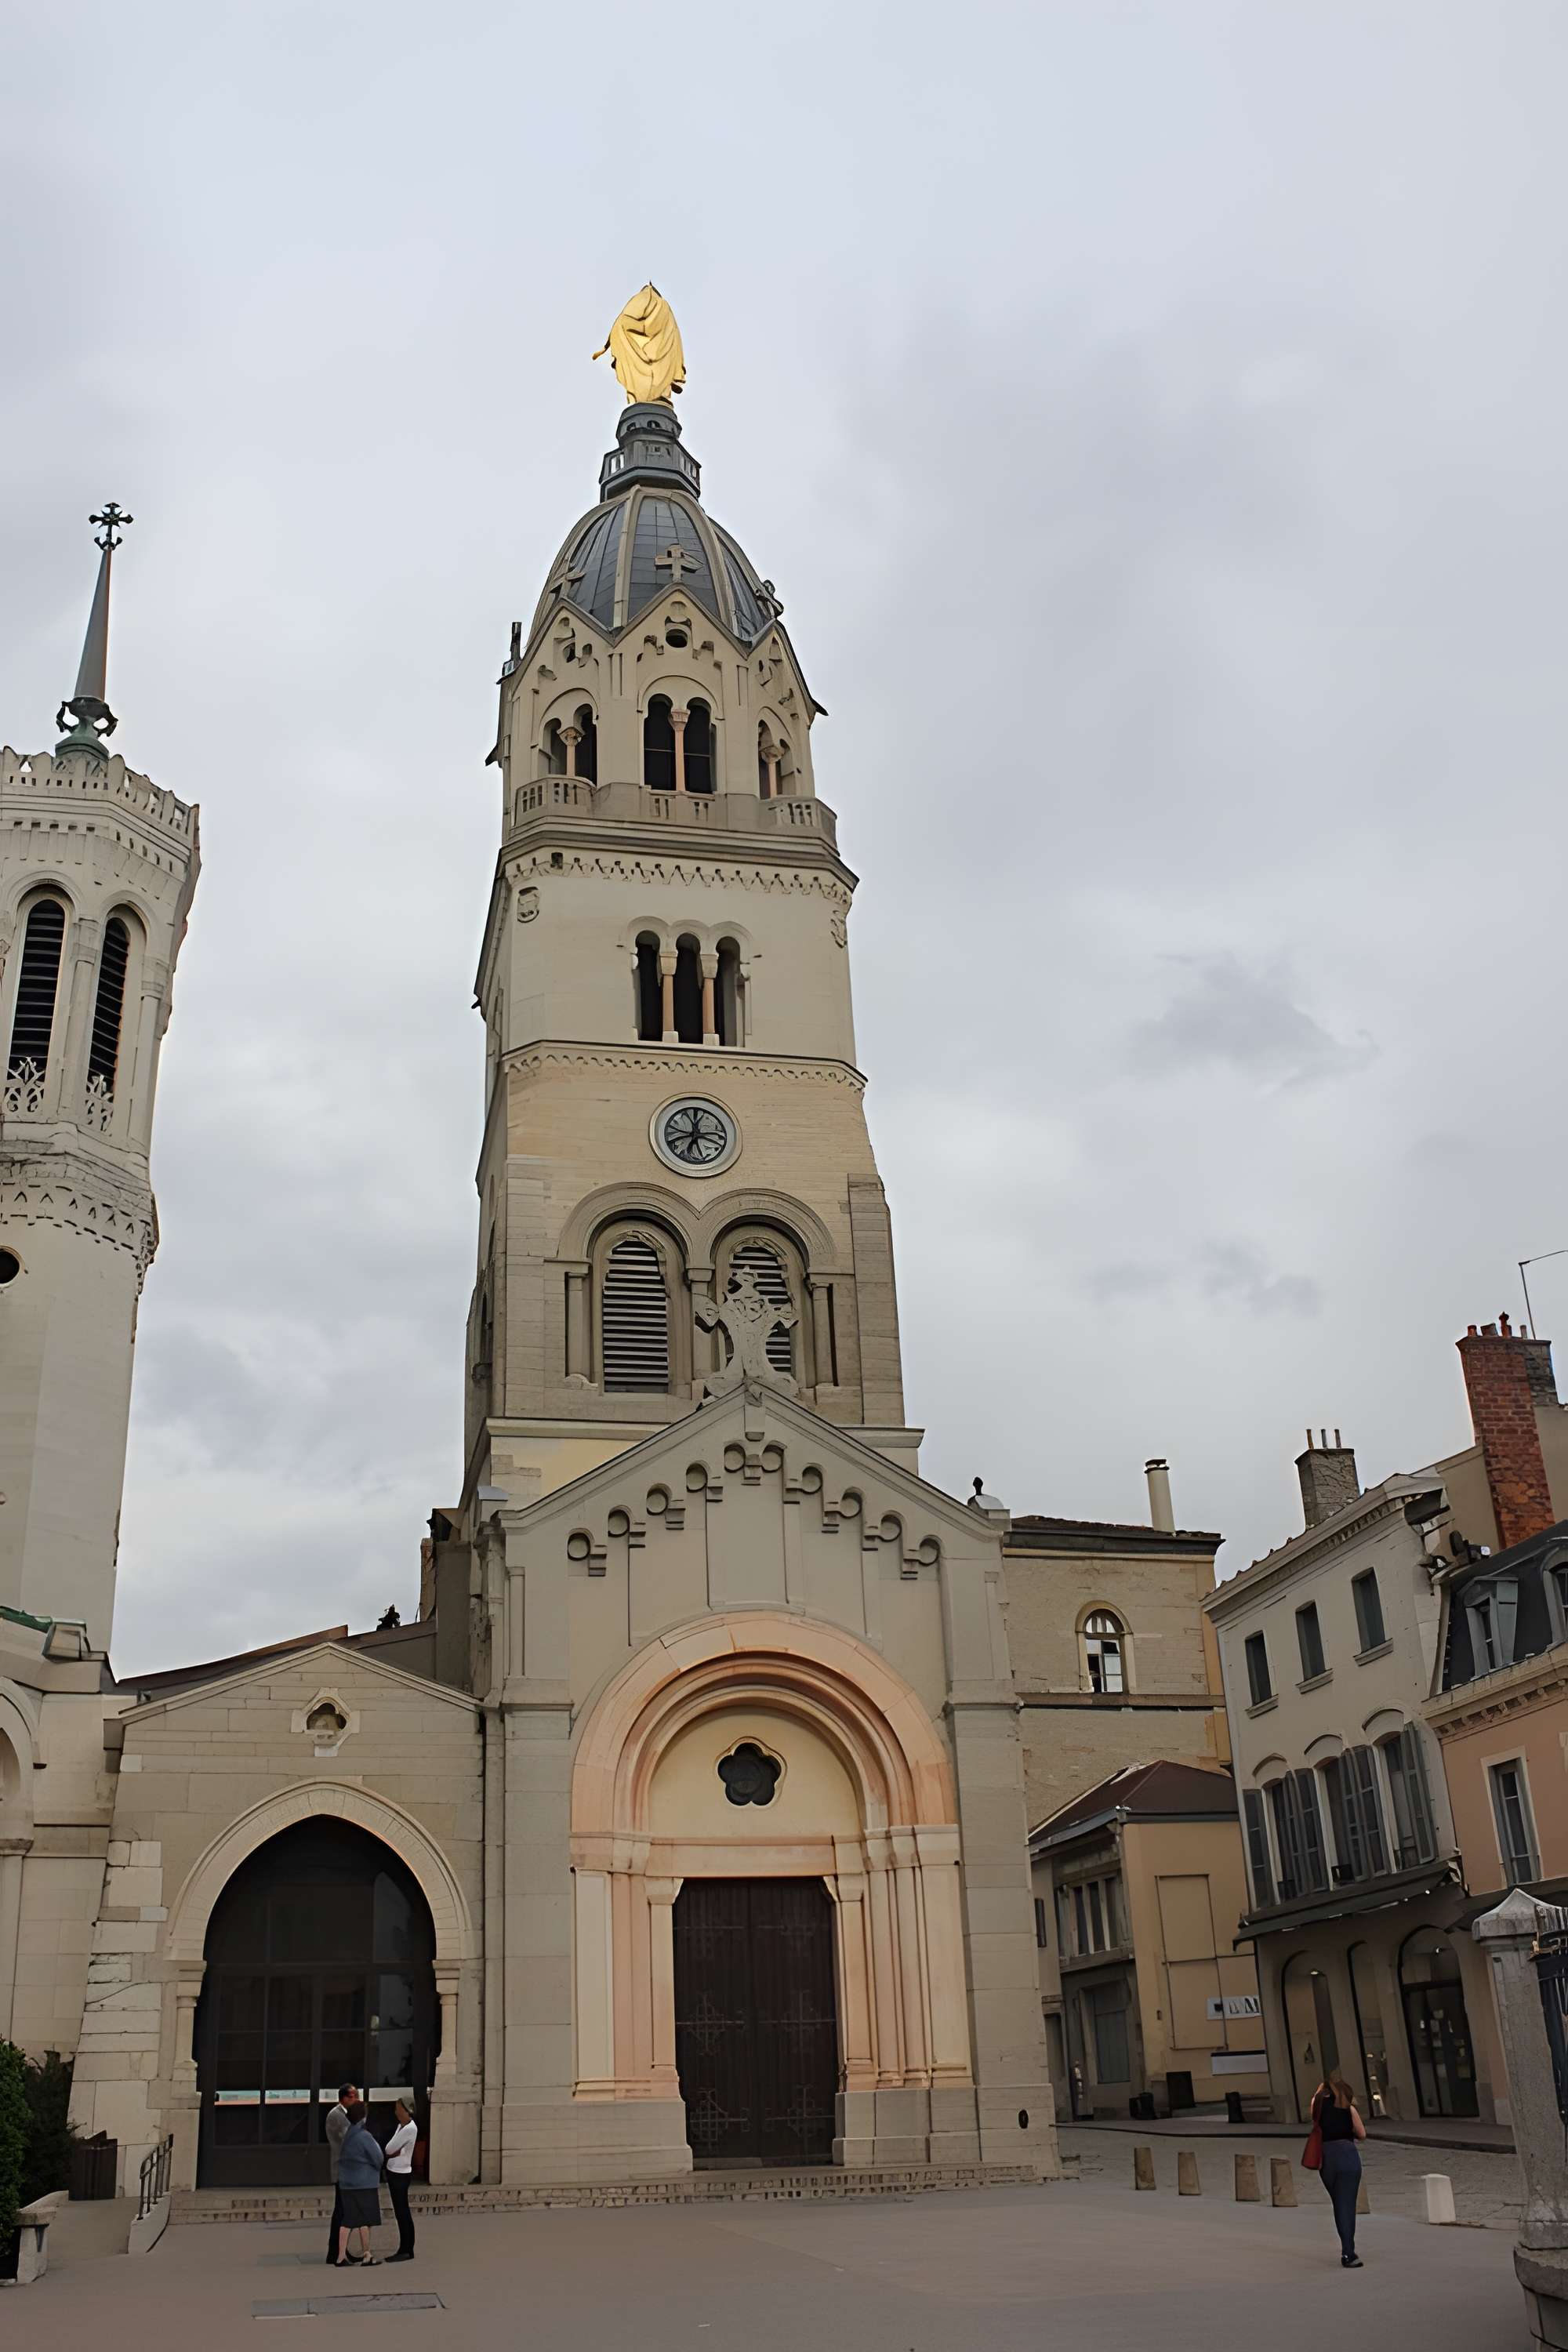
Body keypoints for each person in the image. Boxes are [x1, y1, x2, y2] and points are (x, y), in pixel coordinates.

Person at [1312, 2071, 1367, 2267]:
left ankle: (1347, 2248)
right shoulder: (1349, 2109)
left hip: (1326, 2158)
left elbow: (1316, 2117)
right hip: (1346, 2155)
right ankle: (1348, 2253)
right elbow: (1362, 2134)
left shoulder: (1317, 2106)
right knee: (1346, 2204)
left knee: (1339, 2203)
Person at [335, 2100, 386, 2267]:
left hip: (347, 2184)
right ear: (363, 2116)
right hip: (365, 2183)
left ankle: (341, 2256)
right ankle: (366, 2254)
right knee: (366, 2219)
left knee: (348, 2220)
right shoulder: (364, 2136)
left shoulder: (348, 2135)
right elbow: (378, 2157)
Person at [324, 2082, 360, 2266]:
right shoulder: (337, 2116)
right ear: (344, 2098)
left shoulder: (344, 2115)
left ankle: (341, 2250)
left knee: (344, 2211)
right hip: (342, 2169)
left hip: (346, 2168)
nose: (357, 2099)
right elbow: (350, 2137)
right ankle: (337, 2253)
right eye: (353, 2096)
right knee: (341, 2212)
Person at [383, 2098, 417, 2263]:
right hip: (394, 2171)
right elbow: (391, 2149)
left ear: (406, 2110)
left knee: (402, 2212)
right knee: (400, 2212)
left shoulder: (409, 2129)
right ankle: (405, 2248)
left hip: (400, 2173)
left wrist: (393, 2152)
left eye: (398, 2109)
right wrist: (393, 2152)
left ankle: (406, 2249)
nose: (396, 2112)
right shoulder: (401, 2127)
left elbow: (388, 2149)